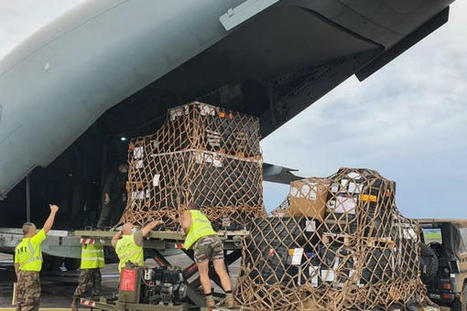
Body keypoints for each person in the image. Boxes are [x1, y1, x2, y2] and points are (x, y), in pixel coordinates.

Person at [179, 206, 234, 308]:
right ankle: (230, 298)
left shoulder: (187, 213)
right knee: (222, 271)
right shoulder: (200, 214)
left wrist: (184, 232)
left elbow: (186, 226)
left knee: (204, 273)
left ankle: (210, 300)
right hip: (215, 239)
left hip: (202, 242)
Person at [15, 204, 59, 311]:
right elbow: (46, 228)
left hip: (22, 276)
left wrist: (19, 276)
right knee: (31, 303)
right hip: (31, 276)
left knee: (21, 302)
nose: (36, 232)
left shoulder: (19, 246)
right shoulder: (33, 242)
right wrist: (53, 212)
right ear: (30, 232)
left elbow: (16, 264)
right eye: (35, 230)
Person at [71, 235, 105, 311]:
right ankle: (74, 302)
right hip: (88, 265)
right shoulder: (87, 240)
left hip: (96, 265)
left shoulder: (100, 241)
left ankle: (94, 302)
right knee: (82, 284)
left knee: (97, 284)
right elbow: (79, 237)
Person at [97, 163, 129, 228]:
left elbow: (123, 188)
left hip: (117, 196)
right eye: (124, 166)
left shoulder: (123, 176)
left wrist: (123, 196)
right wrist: (107, 196)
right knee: (106, 211)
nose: (125, 169)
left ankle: (113, 226)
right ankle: (99, 226)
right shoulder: (113, 175)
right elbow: (107, 186)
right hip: (109, 194)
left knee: (116, 212)